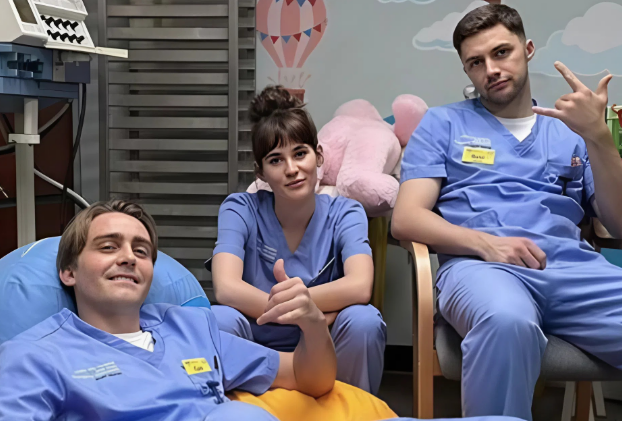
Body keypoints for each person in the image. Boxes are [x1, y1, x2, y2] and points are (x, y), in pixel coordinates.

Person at [392, 4, 622, 421]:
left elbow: (618, 224)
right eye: (476, 62)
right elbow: (406, 218)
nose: (491, 69)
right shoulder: (443, 124)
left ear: (527, 49)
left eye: (501, 52)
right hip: (481, 270)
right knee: (506, 320)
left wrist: (599, 137)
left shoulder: (570, 132)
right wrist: (487, 245)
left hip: (572, 270)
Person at [0, 200, 337, 420]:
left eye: (141, 251)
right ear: (68, 272)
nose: (129, 257)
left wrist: (313, 325)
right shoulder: (35, 356)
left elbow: (307, 378)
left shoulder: (191, 329)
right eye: (109, 246)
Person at [209, 86, 387, 395]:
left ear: (319, 156)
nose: (292, 169)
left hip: (322, 341)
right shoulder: (240, 209)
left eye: (300, 153)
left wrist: (309, 319)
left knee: (364, 320)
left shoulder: (346, 212)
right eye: (276, 160)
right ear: (260, 172)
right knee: (219, 319)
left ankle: (351, 411)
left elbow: (360, 286)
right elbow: (226, 288)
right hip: (258, 337)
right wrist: (306, 312)